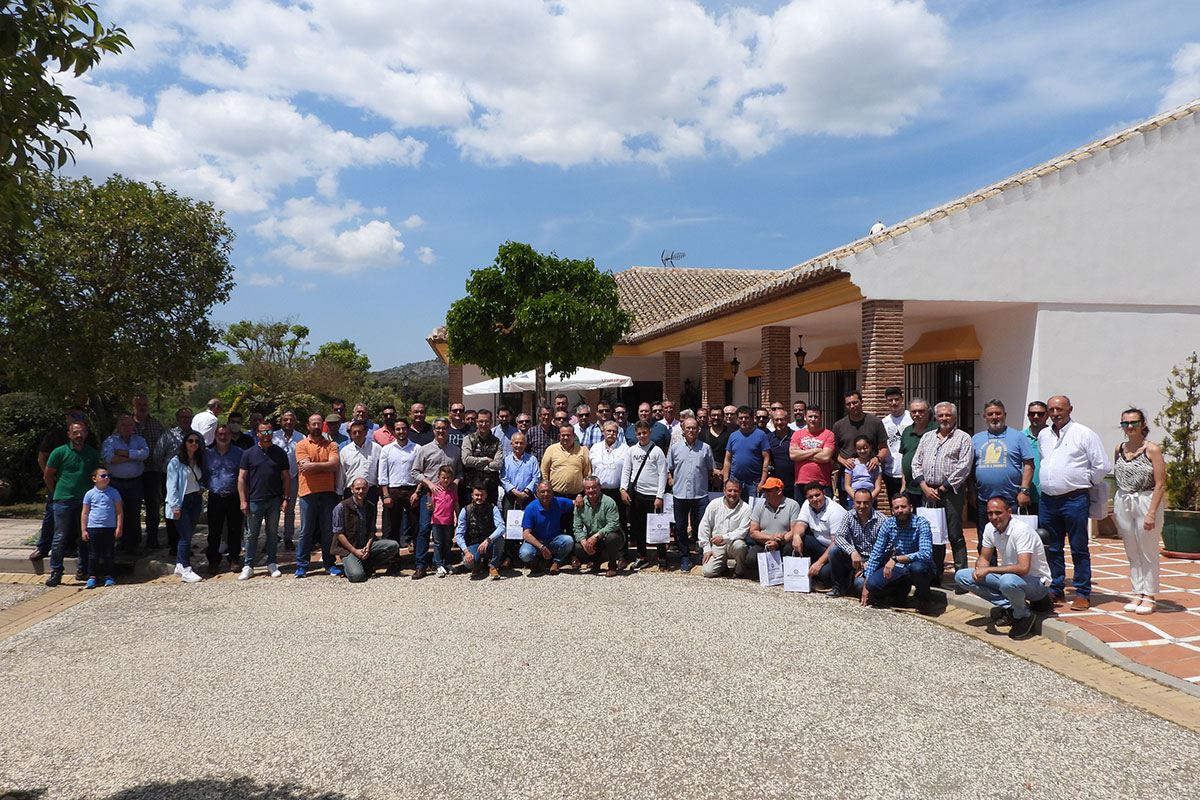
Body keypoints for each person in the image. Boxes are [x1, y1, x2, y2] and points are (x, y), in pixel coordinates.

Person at [1038, 395, 1110, 610]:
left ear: (1070, 409)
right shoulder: (1043, 435)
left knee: (1078, 547)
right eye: (1051, 410)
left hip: (1074, 499)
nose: (1055, 413)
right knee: (1052, 547)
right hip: (1048, 500)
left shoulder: (1084, 433)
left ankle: (1082, 592)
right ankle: (1056, 589)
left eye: (1059, 409)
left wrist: (1085, 482)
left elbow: (1102, 466)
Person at [954, 497, 1052, 639]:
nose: (994, 517)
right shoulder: (990, 528)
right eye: (990, 513)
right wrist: (979, 571)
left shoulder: (1021, 531)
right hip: (1011, 578)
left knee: (1007, 581)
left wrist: (988, 570)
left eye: (998, 513)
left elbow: (1023, 568)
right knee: (962, 576)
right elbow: (984, 558)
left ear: (1009, 512)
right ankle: (1012, 607)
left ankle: (1024, 616)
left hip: (1036, 584)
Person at [911, 401, 974, 581]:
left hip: (950, 493)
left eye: (948, 415)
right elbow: (916, 462)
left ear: (954, 417)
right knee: (932, 534)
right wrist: (924, 486)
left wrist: (942, 488)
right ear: (936, 417)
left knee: (955, 535)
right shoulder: (927, 437)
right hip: (927, 492)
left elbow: (963, 467)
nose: (944, 418)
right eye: (941, 415)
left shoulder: (963, 438)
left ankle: (962, 577)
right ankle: (935, 573)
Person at [1113, 408, 1167, 615]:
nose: (1130, 427)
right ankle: (1137, 591)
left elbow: (1160, 483)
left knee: (1148, 549)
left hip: (1146, 500)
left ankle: (1150, 594)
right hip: (1124, 500)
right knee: (1132, 550)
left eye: (1134, 423)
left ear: (1143, 424)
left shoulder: (1151, 449)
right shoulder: (1119, 448)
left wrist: (1152, 512)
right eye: (1125, 423)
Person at [43, 421, 100, 586]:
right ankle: (56, 572)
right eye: (75, 433)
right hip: (63, 500)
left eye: (82, 432)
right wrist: (56, 492)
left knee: (84, 536)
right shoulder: (59, 452)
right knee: (60, 537)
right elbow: (48, 475)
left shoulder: (92, 453)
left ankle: (83, 570)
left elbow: (95, 475)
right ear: (69, 434)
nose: (79, 435)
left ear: (86, 434)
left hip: (85, 501)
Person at [972, 400, 1035, 543]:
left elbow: (1029, 465)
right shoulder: (976, 439)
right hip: (984, 500)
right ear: (985, 417)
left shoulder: (1018, 437)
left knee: (1015, 541)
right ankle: (988, 566)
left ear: (1004, 415)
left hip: (1012, 500)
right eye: (990, 414)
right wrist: (970, 490)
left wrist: (1024, 491)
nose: (994, 417)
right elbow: (969, 468)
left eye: (998, 413)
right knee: (985, 541)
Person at [862, 494, 936, 613]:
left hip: (920, 565)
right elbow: (877, 552)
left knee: (917, 568)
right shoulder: (888, 524)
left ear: (911, 508)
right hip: (900, 567)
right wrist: (866, 583)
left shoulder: (921, 523)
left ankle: (924, 597)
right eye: (896, 508)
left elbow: (925, 554)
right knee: (872, 584)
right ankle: (900, 591)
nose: (900, 510)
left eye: (903, 507)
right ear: (892, 510)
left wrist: (897, 559)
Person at [409, 418, 462, 580]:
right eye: (438, 428)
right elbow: (415, 472)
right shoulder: (425, 450)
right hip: (430, 496)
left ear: (448, 430)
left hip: (448, 496)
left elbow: (459, 472)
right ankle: (420, 565)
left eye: (444, 428)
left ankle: (442, 562)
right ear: (433, 430)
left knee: (446, 531)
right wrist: (429, 484)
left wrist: (456, 482)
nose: (441, 431)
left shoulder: (455, 450)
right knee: (424, 530)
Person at [238, 421, 289, 580]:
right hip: (255, 500)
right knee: (252, 534)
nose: (266, 435)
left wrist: (286, 498)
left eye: (269, 432)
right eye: (263, 432)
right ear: (257, 434)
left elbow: (286, 477)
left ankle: (272, 563)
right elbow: (241, 478)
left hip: (274, 500)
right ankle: (249, 565)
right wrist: (243, 500)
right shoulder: (248, 454)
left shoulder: (279, 453)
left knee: (272, 533)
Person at [294, 413, 342, 579]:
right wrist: (324, 466)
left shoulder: (331, 445)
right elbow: (304, 467)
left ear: (323, 426)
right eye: (313, 424)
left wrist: (313, 465)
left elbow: (335, 465)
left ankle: (329, 563)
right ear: (308, 426)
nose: (316, 427)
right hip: (308, 494)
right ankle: (302, 565)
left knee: (327, 531)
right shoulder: (301, 445)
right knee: (306, 531)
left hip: (328, 493)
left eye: (318, 424)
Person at [667, 417, 715, 572]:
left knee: (702, 527)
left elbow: (709, 470)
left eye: (694, 428)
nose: (691, 430)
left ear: (698, 430)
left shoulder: (705, 448)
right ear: (683, 430)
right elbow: (670, 468)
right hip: (680, 494)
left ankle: (702, 554)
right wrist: (671, 479)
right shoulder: (675, 448)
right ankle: (685, 557)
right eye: (688, 428)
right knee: (680, 528)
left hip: (700, 494)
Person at [332, 478, 400, 583]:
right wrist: (354, 551)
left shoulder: (370, 506)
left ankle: (366, 564)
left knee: (393, 546)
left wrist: (367, 547)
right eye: (357, 489)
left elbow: (372, 530)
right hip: (349, 548)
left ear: (367, 489)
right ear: (351, 490)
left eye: (363, 488)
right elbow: (339, 533)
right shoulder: (341, 507)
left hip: (364, 545)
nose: (360, 491)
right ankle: (354, 565)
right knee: (357, 576)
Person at [622, 420, 668, 571]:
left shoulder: (657, 451)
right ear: (636, 434)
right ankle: (642, 556)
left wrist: (659, 496)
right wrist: (623, 489)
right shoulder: (631, 451)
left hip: (654, 495)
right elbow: (626, 471)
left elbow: (662, 474)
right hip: (637, 494)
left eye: (645, 433)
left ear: (650, 433)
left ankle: (662, 557)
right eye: (639, 434)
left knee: (658, 527)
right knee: (639, 527)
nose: (642, 436)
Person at [100, 413, 148, 552]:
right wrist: (133, 456)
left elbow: (144, 454)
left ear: (133, 427)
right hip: (116, 483)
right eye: (123, 425)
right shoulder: (110, 441)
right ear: (118, 427)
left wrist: (123, 453)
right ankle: (116, 542)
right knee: (115, 513)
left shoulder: (139, 440)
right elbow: (109, 458)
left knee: (134, 513)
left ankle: (133, 544)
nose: (126, 428)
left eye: (129, 425)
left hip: (135, 482)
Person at [831, 390, 888, 507]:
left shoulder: (875, 423)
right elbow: (833, 451)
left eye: (855, 402)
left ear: (862, 402)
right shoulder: (839, 425)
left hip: (870, 473)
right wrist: (843, 461)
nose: (852, 406)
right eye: (848, 404)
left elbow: (884, 448)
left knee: (870, 509)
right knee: (846, 509)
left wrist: (877, 459)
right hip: (847, 474)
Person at [165, 432, 208, 584]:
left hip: (195, 500)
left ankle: (179, 564)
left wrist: (202, 487)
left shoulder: (199, 460)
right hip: (181, 501)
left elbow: (203, 477)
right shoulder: (176, 462)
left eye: (197, 441)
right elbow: (171, 486)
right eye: (190, 441)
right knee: (185, 537)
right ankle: (186, 567)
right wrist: (175, 506)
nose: (194, 443)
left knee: (188, 534)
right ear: (185, 443)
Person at [828, 488, 886, 598]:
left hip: (874, 561)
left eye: (865, 502)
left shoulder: (882, 520)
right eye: (858, 502)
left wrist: (868, 565)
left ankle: (880, 594)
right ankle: (839, 587)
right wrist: (852, 552)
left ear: (872, 502)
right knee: (834, 551)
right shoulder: (849, 515)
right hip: (856, 558)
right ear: (854, 502)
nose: (862, 506)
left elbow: (886, 548)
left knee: (860, 585)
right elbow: (838, 537)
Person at [205, 424, 245, 573]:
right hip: (215, 497)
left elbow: (243, 475)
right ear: (215, 436)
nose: (223, 437)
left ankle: (234, 559)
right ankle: (213, 561)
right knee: (214, 531)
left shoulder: (239, 453)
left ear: (230, 435)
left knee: (235, 530)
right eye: (220, 434)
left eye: (226, 434)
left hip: (234, 496)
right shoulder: (208, 454)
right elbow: (204, 474)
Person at [793, 481, 848, 588]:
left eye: (817, 495)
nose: (814, 499)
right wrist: (796, 536)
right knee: (797, 539)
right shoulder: (806, 504)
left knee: (824, 574)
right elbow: (800, 524)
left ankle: (843, 579)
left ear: (824, 493)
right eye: (811, 497)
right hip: (820, 545)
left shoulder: (835, 511)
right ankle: (800, 577)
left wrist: (819, 563)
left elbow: (836, 543)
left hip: (838, 551)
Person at [154, 407, 193, 553]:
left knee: (188, 512)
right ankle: (173, 545)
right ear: (177, 419)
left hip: (190, 480)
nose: (185, 420)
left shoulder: (196, 436)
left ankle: (185, 545)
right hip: (170, 478)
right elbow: (158, 456)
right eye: (183, 417)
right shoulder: (168, 436)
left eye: (188, 417)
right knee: (172, 510)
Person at [132, 395, 167, 550]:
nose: (143, 407)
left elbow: (165, 444)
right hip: (132, 473)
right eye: (139, 404)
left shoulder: (156, 424)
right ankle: (132, 539)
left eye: (145, 404)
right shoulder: (127, 424)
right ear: (134, 406)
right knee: (132, 507)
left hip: (153, 471)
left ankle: (152, 538)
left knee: (153, 506)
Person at [379, 418, 420, 547]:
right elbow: (382, 474)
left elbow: (422, 472)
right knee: (393, 527)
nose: (401, 431)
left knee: (416, 526)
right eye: (398, 429)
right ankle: (393, 561)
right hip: (394, 491)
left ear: (408, 430)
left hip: (412, 491)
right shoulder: (386, 449)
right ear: (394, 431)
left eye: (403, 428)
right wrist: (386, 495)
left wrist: (418, 492)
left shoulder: (417, 448)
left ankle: (418, 561)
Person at [698, 479, 751, 578]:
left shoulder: (746, 508)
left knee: (740, 546)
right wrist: (706, 548)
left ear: (740, 492)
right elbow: (704, 526)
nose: (732, 493)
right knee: (708, 572)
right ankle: (722, 566)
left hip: (734, 544)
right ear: (724, 491)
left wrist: (723, 537)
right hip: (717, 545)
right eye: (729, 490)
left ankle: (740, 570)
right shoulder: (714, 504)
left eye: (736, 491)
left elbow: (742, 531)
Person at [520, 481, 576, 574]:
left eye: (548, 491)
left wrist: (579, 497)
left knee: (568, 541)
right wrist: (541, 547)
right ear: (537, 494)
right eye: (542, 492)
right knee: (525, 554)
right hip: (536, 543)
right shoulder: (530, 508)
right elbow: (526, 534)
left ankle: (556, 563)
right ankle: (535, 562)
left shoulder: (558, 502)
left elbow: (574, 502)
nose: (545, 494)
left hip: (553, 540)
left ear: (552, 493)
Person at [746, 477, 799, 576]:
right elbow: (753, 532)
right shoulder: (759, 505)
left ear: (779, 491)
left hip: (784, 542)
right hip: (764, 543)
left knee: (790, 548)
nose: (765, 492)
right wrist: (770, 538)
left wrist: (778, 543)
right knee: (750, 560)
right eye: (764, 489)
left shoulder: (793, 505)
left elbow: (794, 530)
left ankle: (786, 574)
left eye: (769, 490)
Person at [80, 467, 122, 589]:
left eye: (108, 475)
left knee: (108, 553)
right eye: (103, 476)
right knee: (93, 554)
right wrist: (84, 529)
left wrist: (119, 527)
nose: (106, 478)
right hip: (93, 527)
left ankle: (109, 576)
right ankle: (92, 576)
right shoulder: (89, 494)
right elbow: (85, 512)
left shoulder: (114, 492)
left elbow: (119, 511)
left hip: (109, 527)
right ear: (94, 479)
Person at [573, 475, 624, 577]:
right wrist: (584, 542)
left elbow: (613, 524)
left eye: (594, 487)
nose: (591, 490)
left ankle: (612, 565)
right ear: (584, 490)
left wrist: (596, 536)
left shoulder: (608, 502)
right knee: (578, 547)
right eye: (588, 488)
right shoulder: (580, 504)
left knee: (612, 537)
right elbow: (577, 528)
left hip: (608, 537)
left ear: (600, 487)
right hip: (593, 539)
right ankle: (596, 562)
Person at [454, 483, 505, 579]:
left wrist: (488, 540)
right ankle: (476, 564)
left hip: (488, 543)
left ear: (486, 495)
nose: (479, 498)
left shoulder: (493, 508)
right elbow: (459, 535)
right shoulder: (465, 510)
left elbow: (502, 527)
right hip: (473, 544)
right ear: (472, 495)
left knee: (500, 540)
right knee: (468, 564)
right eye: (477, 495)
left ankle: (494, 566)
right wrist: (466, 551)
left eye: (482, 495)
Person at [588, 421, 628, 536]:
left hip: (618, 491)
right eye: (609, 431)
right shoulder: (595, 448)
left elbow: (628, 471)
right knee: (599, 520)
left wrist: (624, 490)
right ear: (603, 432)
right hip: (599, 492)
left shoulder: (625, 449)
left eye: (614, 431)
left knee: (620, 520)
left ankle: (622, 551)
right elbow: (590, 469)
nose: (611, 433)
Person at [272, 410, 304, 549]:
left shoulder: (301, 437)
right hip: (275, 479)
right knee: (273, 510)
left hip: (293, 478)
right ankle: (272, 537)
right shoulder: (273, 436)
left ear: (295, 422)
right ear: (281, 421)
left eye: (291, 420)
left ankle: (288, 538)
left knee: (290, 510)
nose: (288, 422)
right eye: (286, 419)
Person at [723, 406, 770, 499]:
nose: (743, 420)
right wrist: (725, 481)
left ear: (752, 419)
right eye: (741, 418)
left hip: (754, 482)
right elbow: (727, 460)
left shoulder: (761, 435)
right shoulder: (733, 436)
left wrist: (763, 480)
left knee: (752, 511)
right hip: (735, 482)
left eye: (746, 418)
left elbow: (767, 459)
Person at [789, 406, 835, 501]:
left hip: (822, 483)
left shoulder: (828, 434)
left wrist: (802, 452)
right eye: (810, 416)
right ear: (805, 417)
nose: (813, 419)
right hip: (801, 482)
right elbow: (793, 455)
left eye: (816, 416)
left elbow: (825, 457)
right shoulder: (797, 434)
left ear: (821, 417)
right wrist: (815, 450)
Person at [899, 397, 936, 508]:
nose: (917, 414)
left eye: (921, 411)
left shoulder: (936, 429)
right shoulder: (907, 431)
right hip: (910, 489)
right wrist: (903, 485)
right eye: (914, 411)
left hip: (930, 490)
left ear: (928, 412)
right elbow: (905, 458)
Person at [541, 423, 591, 502]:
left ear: (574, 436)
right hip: (555, 496)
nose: (566, 438)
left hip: (577, 497)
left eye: (568, 435)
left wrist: (581, 494)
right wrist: (548, 490)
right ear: (559, 436)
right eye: (563, 435)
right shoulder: (551, 450)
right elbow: (544, 471)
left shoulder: (582, 451)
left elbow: (587, 474)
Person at [462, 408, 502, 505]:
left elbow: (498, 464)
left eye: (486, 421)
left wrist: (477, 465)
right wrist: (486, 460)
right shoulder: (469, 439)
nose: (483, 424)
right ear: (476, 422)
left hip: (490, 488)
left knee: (490, 517)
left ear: (491, 422)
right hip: (471, 488)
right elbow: (466, 460)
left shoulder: (496, 441)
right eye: (481, 421)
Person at [426, 465, 460, 577]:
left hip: (449, 521)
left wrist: (458, 518)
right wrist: (429, 506)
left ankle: (447, 563)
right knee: (438, 543)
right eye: (443, 478)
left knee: (447, 543)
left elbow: (456, 505)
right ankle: (438, 564)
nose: (446, 480)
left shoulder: (453, 491)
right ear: (438, 477)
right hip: (437, 522)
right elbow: (431, 506)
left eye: (448, 478)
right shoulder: (435, 490)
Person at [881, 387, 911, 502]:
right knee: (895, 508)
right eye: (890, 400)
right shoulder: (884, 423)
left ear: (902, 399)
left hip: (909, 473)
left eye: (896, 399)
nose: (894, 403)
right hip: (891, 473)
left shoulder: (911, 418)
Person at [337, 420, 381, 500]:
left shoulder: (376, 448)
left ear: (366, 432)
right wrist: (339, 493)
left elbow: (381, 471)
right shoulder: (345, 451)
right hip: (351, 492)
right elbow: (341, 474)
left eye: (360, 432)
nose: (357, 435)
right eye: (354, 432)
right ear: (350, 434)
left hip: (370, 491)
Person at [500, 431, 540, 516]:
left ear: (525, 445)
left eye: (521, 443)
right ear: (511, 444)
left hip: (528, 497)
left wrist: (524, 493)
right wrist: (517, 494)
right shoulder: (506, 461)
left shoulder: (532, 460)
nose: (518, 445)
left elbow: (536, 477)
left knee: (530, 524)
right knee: (511, 526)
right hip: (510, 498)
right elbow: (504, 479)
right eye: (516, 443)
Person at [1022, 401, 1049, 515]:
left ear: (1047, 415)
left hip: (1049, 497)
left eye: (1040, 414)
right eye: (1032, 414)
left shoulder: (1055, 436)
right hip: (1027, 497)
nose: (1036, 417)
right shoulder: (1020, 437)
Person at [766, 408, 797, 498]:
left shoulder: (795, 436)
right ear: (772, 421)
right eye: (776, 420)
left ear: (788, 420)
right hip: (774, 484)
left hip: (793, 484)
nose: (779, 422)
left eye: (782, 419)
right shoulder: (768, 438)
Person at [843, 435, 882, 503]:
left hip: (871, 500)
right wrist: (856, 499)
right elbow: (847, 486)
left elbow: (878, 487)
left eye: (865, 448)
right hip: (853, 499)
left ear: (870, 447)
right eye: (859, 448)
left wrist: (869, 499)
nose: (862, 451)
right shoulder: (851, 464)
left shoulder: (875, 466)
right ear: (855, 449)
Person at [700, 404, 731, 491]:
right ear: (709, 417)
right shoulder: (702, 434)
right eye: (713, 415)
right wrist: (713, 471)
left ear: (723, 417)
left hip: (727, 475)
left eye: (718, 415)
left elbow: (733, 454)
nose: (716, 417)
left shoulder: (730, 433)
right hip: (707, 476)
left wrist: (722, 473)